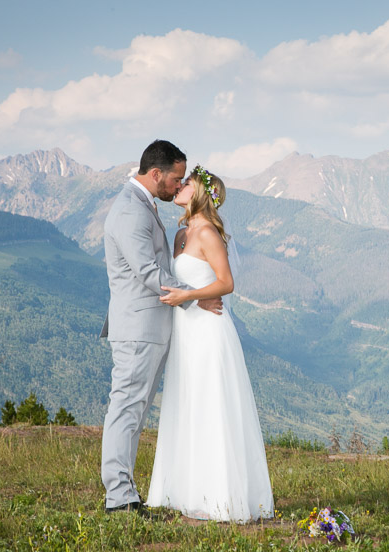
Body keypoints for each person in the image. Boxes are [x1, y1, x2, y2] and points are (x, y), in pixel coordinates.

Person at [100, 141, 222, 513]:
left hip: (148, 328)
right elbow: (149, 272)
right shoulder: (129, 211)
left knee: (133, 413)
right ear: (156, 174)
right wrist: (197, 295)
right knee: (126, 410)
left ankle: (126, 493)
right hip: (138, 328)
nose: (178, 185)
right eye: (175, 178)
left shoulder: (140, 205)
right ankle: (119, 499)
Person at [146, 165, 274, 522]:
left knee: (210, 405)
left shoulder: (207, 234)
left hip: (209, 331)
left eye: (186, 183)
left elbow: (226, 282)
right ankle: (183, 490)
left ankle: (219, 495)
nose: (180, 186)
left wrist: (195, 295)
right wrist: (193, 297)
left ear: (200, 193)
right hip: (186, 329)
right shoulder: (181, 235)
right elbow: (179, 281)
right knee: (186, 402)